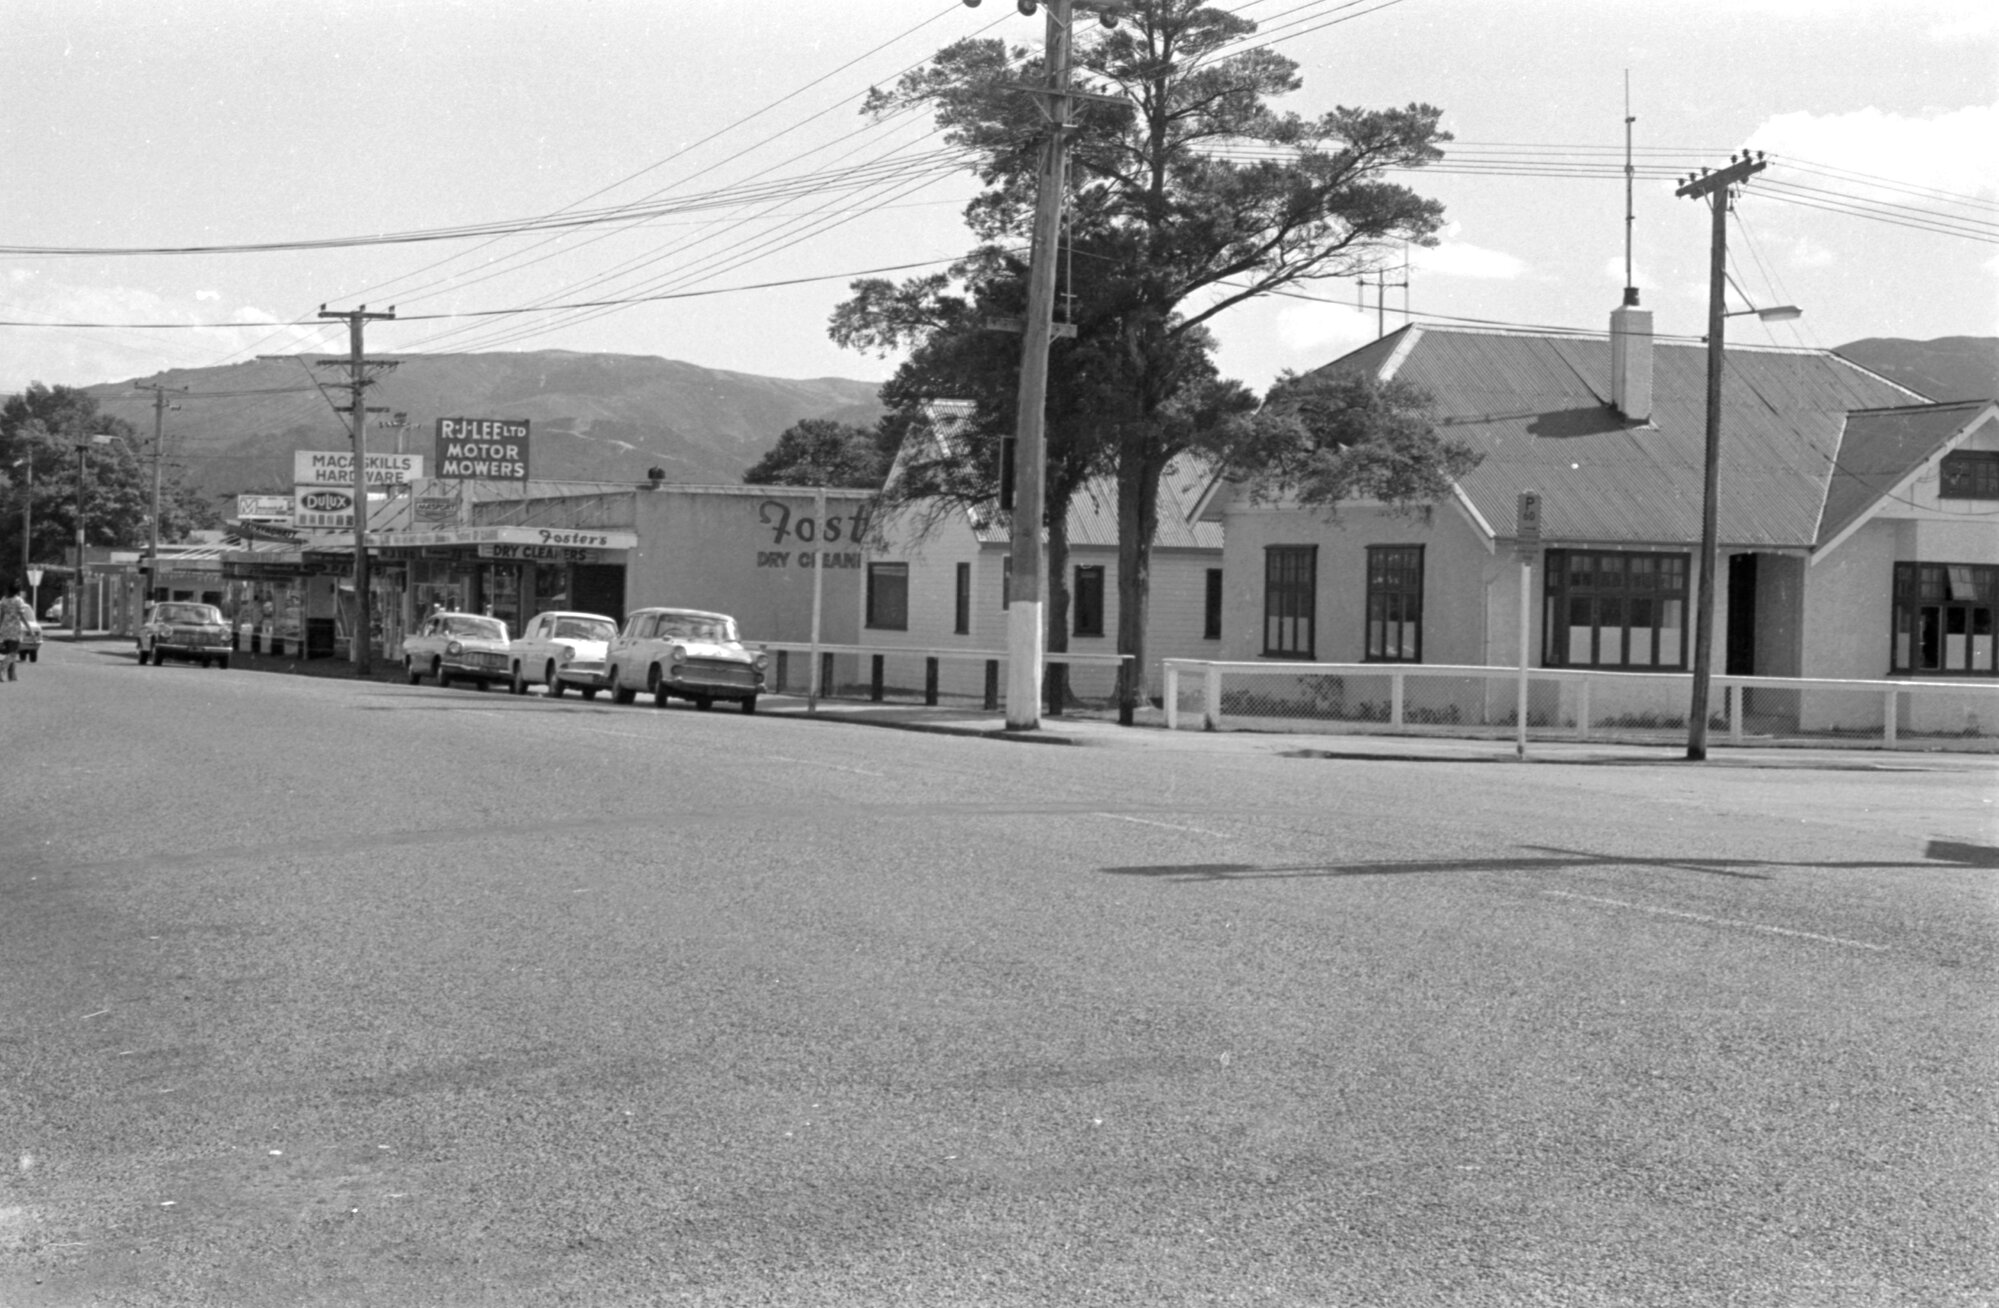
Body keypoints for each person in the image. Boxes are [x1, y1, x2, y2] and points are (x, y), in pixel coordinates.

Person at [0, 582, 32, 683]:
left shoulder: (4, 599)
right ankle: (2, 668)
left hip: (5, 628)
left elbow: (1, 615)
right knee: (13, 653)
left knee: (9, 652)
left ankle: (12, 676)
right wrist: (29, 628)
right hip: (15, 629)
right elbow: (22, 616)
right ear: (17, 591)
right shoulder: (18, 600)